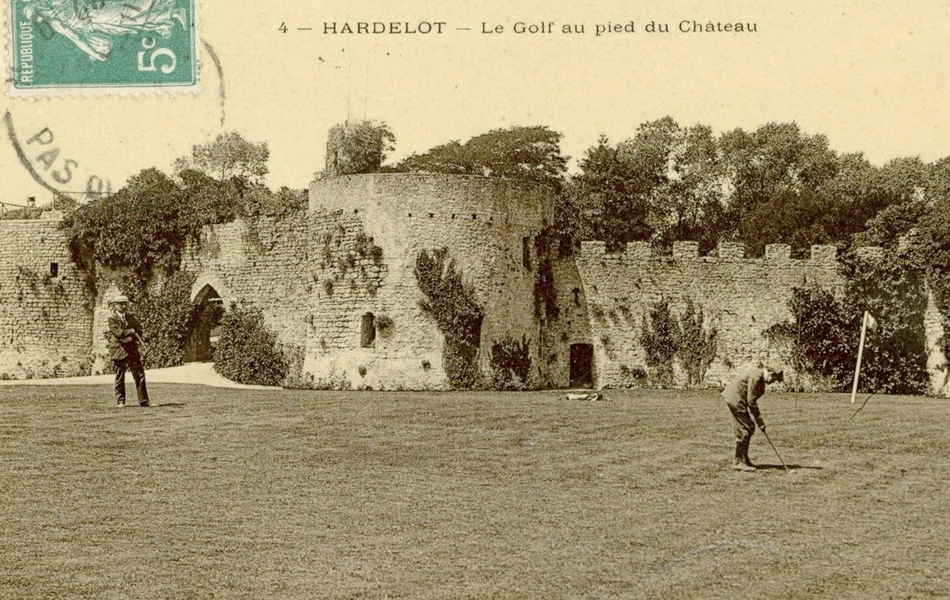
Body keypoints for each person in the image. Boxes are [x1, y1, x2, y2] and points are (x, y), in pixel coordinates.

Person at [722, 362, 783, 471]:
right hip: (735, 400)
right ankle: (738, 461)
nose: (774, 382)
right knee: (747, 428)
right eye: (774, 379)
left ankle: (743, 459)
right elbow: (751, 401)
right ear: (770, 373)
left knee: (748, 428)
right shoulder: (756, 376)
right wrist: (760, 422)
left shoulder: (759, 377)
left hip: (736, 399)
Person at [106, 295, 150, 408]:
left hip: (132, 350)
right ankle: (120, 401)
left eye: (125, 304)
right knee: (120, 377)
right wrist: (130, 331)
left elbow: (139, 331)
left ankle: (144, 401)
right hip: (118, 351)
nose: (123, 306)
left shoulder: (131, 317)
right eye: (120, 304)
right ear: (115, 305)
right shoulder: (112, 318)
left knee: (139, 375)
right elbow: (118, 333)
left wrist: (131, 337)